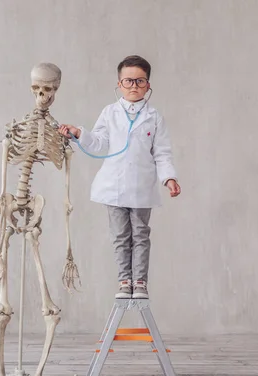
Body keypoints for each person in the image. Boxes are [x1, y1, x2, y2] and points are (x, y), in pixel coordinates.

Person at [58, 55, 181, 300]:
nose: (134, 86)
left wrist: (169, 178)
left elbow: (162, 152)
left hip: (142, 186)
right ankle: (125, 281)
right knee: (120, 236)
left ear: (148, 85)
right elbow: (99, 143)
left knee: (141, 234)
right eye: (128, 81)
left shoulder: (154, 117)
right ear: (119, 84)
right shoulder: (110, 112)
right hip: (113, 186)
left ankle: (140, 282)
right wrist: (79, 133)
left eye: (139, 81)